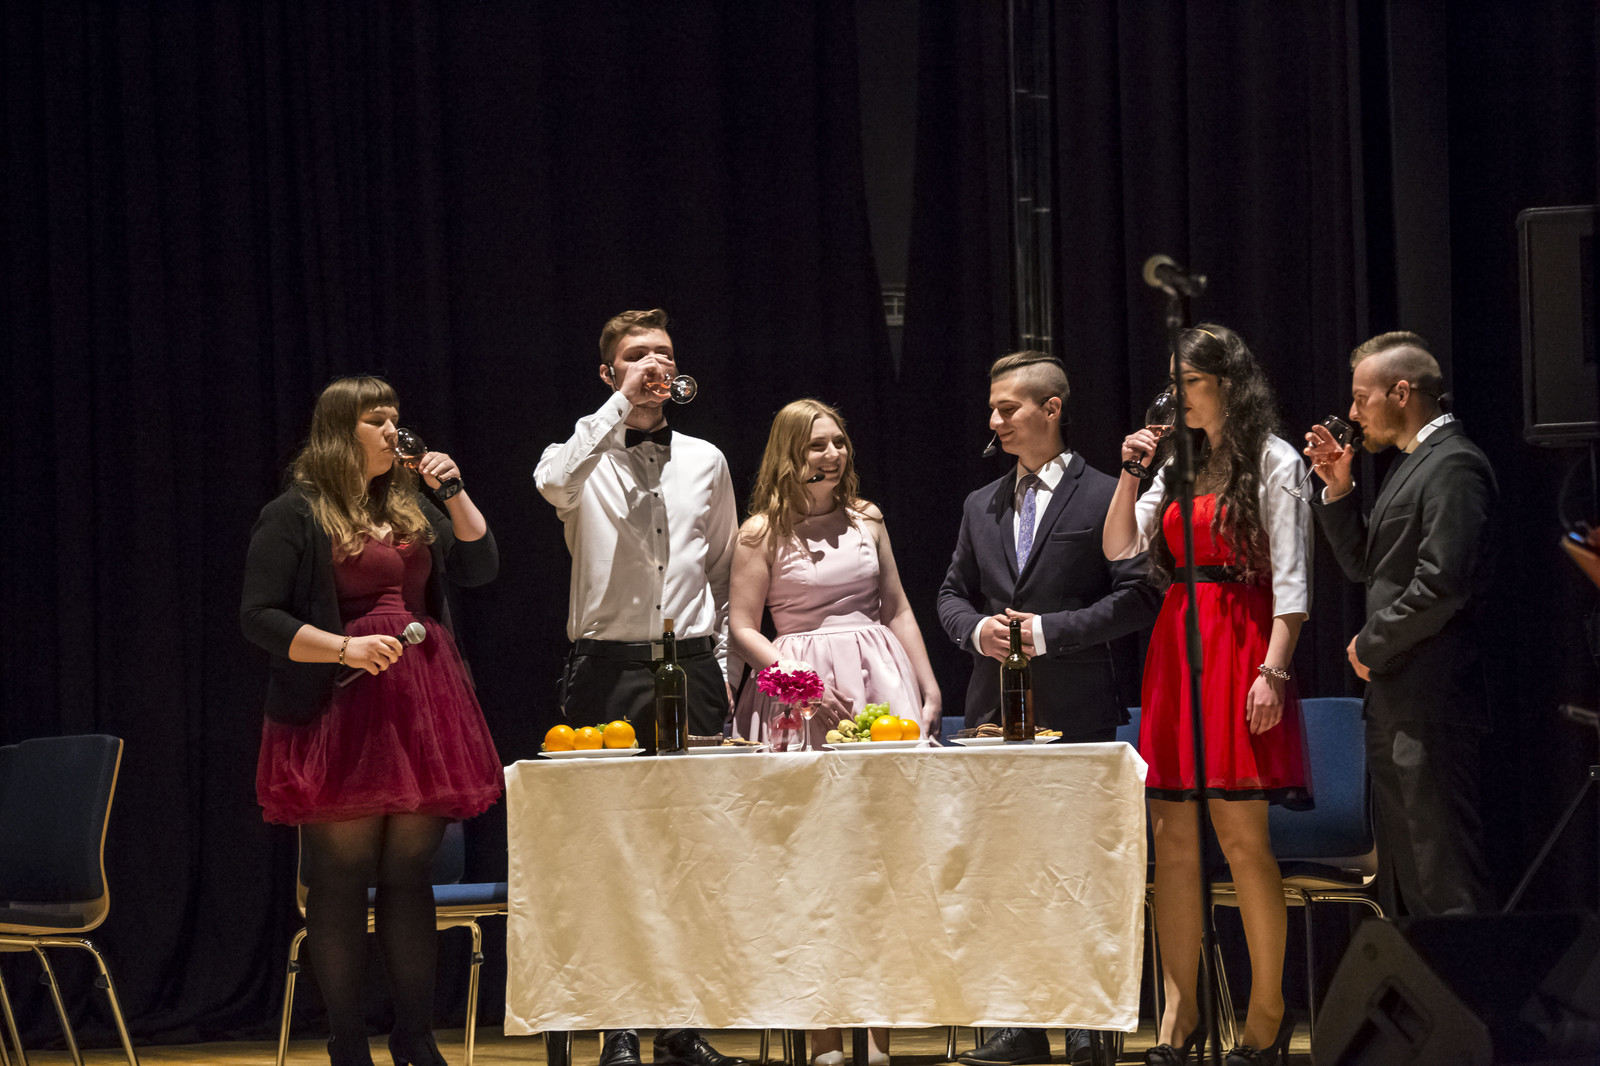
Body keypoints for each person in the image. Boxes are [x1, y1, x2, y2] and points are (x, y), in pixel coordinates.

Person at [241, 377, 503, 1066]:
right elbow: (259, 616)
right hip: (341, 698)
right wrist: (344, 648)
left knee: (410, 873)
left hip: (421, 698)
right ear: (340, 431)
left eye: (395, 419)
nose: (394, 431)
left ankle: (415, 1036)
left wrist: (452, 492)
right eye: (377, 420)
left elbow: (479, 566)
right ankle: (348, 1043)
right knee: (340, 873)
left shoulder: (410, 507)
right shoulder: (296, 511)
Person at [534, 308, 745, 1066]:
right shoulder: (577, 455)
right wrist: (619, 406)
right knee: (609, 852)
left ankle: (679, 1025)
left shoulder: (706, 458)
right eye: (636, 356)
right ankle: (616, 1023)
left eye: (664, 354)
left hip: (690, 667)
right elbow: (552, 483)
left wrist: (722, 668)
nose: (655, 365)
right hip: (607, 668)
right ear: (608, 371)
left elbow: (722, 570)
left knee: (693, 851)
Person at [938, 351, 1161, 1066]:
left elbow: (1139, 596)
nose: (995, 421)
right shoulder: (981, 502)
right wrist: (977, 630)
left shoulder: (1105, 494)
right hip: (992, 714)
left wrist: (1047, 632)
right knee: (1005, 870)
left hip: (1077, 706)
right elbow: (951, 594)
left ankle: (1089, 1024)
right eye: (993, 409)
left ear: (1052, 409)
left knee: (1080, 870)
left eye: (1008, 408)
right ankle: (1018, 1025)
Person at [1103, 324, 1311, 1066]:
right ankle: (1179, 1013)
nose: (1177, 395)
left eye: (1189, 382)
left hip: (1242, 645)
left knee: (1242, 838)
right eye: (1173, 382)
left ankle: (1267, 1012)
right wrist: (1130, 473)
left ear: (1227, 383)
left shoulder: (1274, 458)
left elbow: (1293, 581)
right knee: (1171, 840)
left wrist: (1273, 672)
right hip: (1179, 643)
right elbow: (1120, 547)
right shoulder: (1180, 464)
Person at [728, 398, 942, 1063]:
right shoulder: (760, 532)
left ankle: (877, 1037)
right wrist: (802, 687)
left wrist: (928, 684)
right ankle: (823, 1037)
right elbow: (742, 627)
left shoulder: (867, 518)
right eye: (817, 445)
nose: (833, 455)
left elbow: (897, 606)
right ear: (789, 452)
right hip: (800, 692)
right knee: (812, 862)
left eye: (839, 442)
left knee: (881, 859)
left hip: (880, 681)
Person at [1305, 330, 1496, 917]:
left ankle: (1472, 980)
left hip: (1429, 703)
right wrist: (1339, 490)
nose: (1353, 413)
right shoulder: (1412, 464)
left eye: (1362, 399)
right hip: (1399, 703)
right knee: (1414, 884)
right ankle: (1433, 983)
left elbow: (1443, 584)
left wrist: (1371, 643)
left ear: (1402, 392)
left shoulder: (1455, 463)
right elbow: (1368, 566)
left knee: (1445, 883)